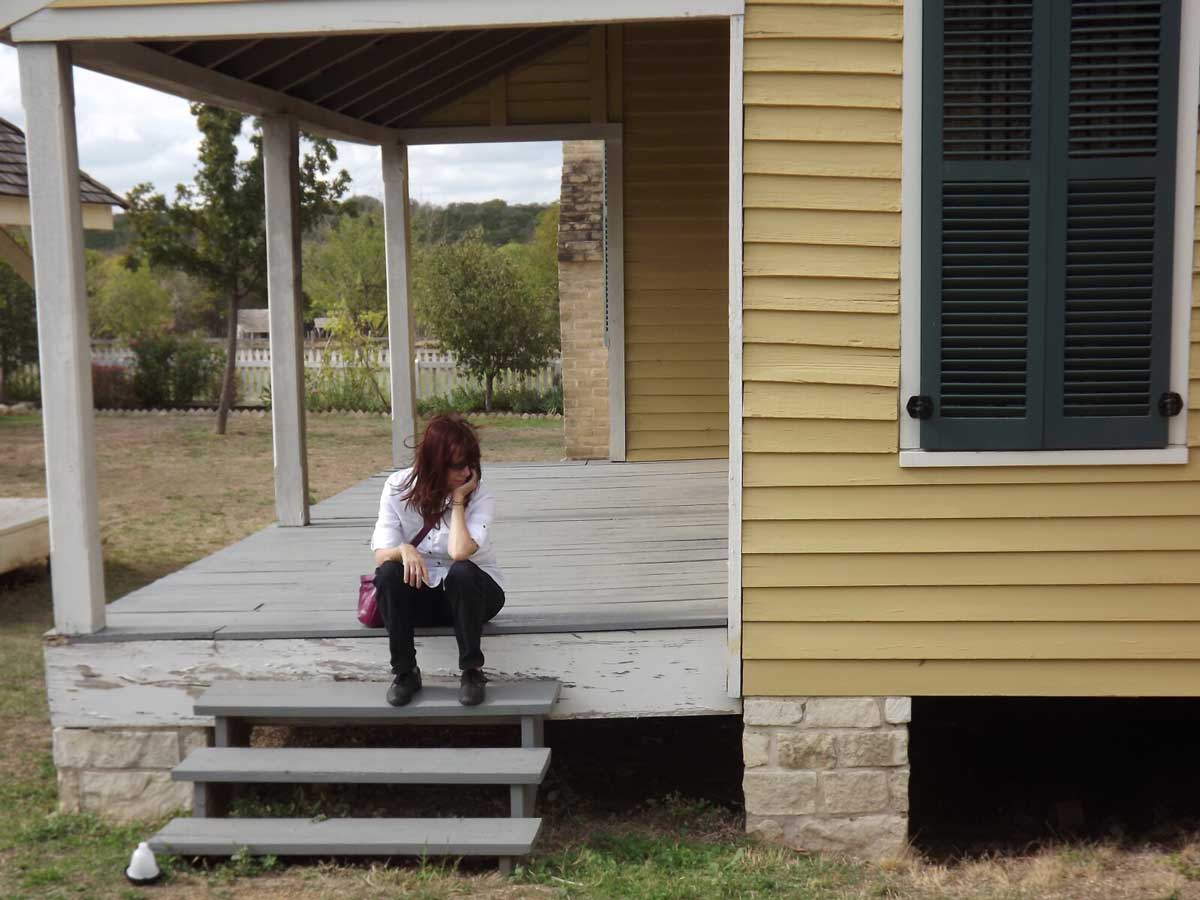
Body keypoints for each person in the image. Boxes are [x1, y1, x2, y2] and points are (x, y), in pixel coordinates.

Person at [370, 414, 505, 707]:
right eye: (458, 465)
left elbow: (459, 552)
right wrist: (402, 549)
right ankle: (405, 673)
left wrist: (458, 500)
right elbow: (381, 553)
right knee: (389, 572)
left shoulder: (479, 495)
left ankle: (472, 670)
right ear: (434, 462)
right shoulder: (396, 488)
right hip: (424, 596)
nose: (467, 472)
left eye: (471, 463)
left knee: (461, 571)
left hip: (476, 596)